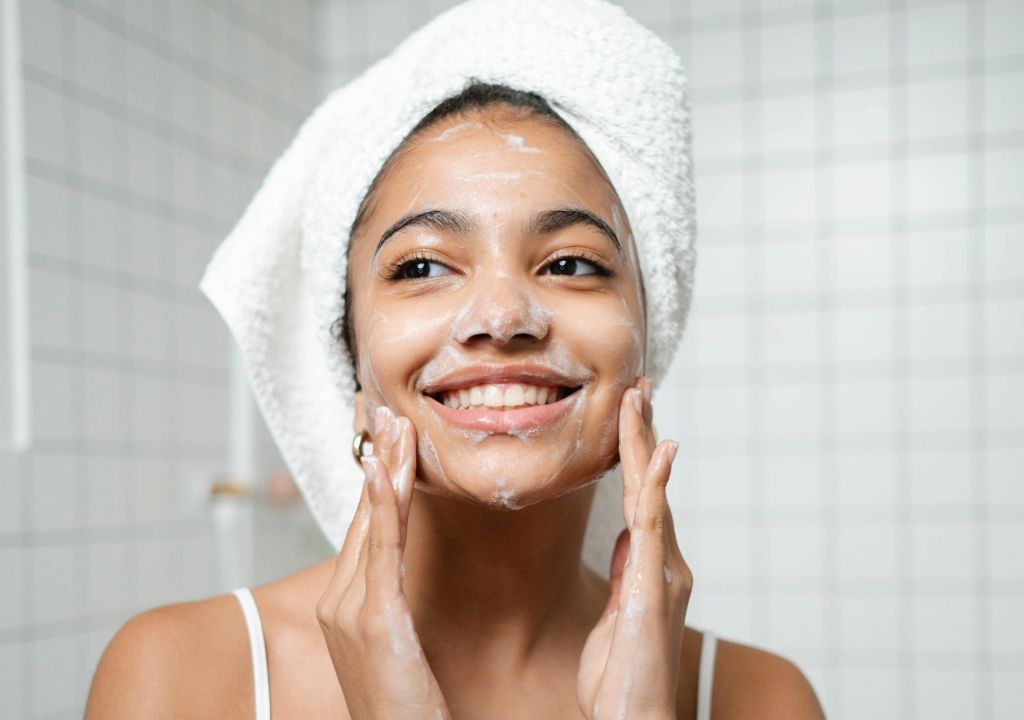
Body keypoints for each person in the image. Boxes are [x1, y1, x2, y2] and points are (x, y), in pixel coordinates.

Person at [84, 78, 825, 719]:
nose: (502, 317)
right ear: (352, 373)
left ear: (644, 351)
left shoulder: (761, 699)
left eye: (571, 263)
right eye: (422, 267)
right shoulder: (179, 676)